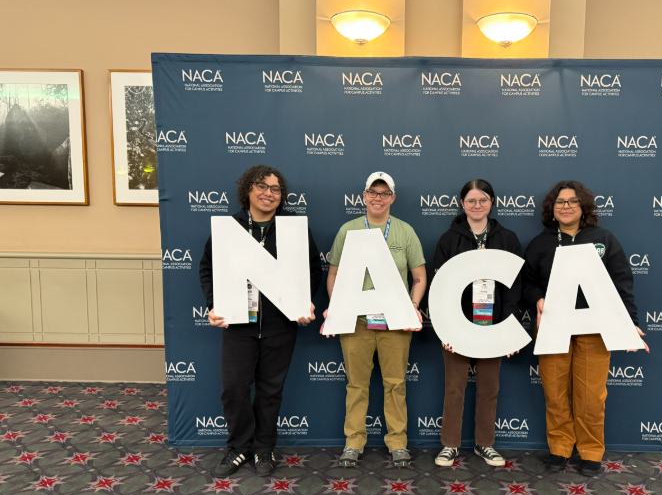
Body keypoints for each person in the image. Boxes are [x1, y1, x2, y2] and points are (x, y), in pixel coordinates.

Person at [199, 165, 322, 478]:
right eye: (262, 186)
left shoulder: (293, 228)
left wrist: (304, 301)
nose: (269, 193)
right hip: (239, 325)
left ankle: (264, 447)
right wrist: (215, 305)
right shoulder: (230, 228)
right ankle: (239, 447)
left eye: (276, 188)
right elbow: (207, 269)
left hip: (280, 326)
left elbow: (311, 270)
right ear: (248, 190)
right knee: (234, 389)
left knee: (270, 390)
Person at [522, 180, 648, 477]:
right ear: (551, 210)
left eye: (572, 201)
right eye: (560, 202)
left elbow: (622, 281)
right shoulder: (540, 244)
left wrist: (630, 324)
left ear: (584, 207)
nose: (566, 206)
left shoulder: (604, 238)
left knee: (591, 396)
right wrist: (537, 299)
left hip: (594, 329)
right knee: (555, 393)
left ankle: (591, 451)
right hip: (554, 327)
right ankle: (560, 447)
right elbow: (527, 282)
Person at [325, 171, 427, 468]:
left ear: (392, 198)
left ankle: (398, 442)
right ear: (363, 196)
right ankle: (353, 442)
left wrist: (412, 306)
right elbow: (333, 275)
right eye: (373, 192)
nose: (378, 198)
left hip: (394, 322)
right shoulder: (348, 230)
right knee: (356, 384)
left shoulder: (405, 232)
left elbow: (419, 276)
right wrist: (339, 305)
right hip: (356, 321)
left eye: (384, 193)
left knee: (395, 383)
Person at [431, 179, 522, 468]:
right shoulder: (449, 239)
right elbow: (440, 287)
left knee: (489, 387)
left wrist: (508, 330)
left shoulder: (506, 238)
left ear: (491, 202)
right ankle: (450, 445)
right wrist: (444, 328)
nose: (477, 205)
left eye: (483, 199)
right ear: (462, 204)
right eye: (471, 200)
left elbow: (515, 288)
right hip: (457, 326)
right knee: (454, 387)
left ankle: (485, 444)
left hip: (493, 325)